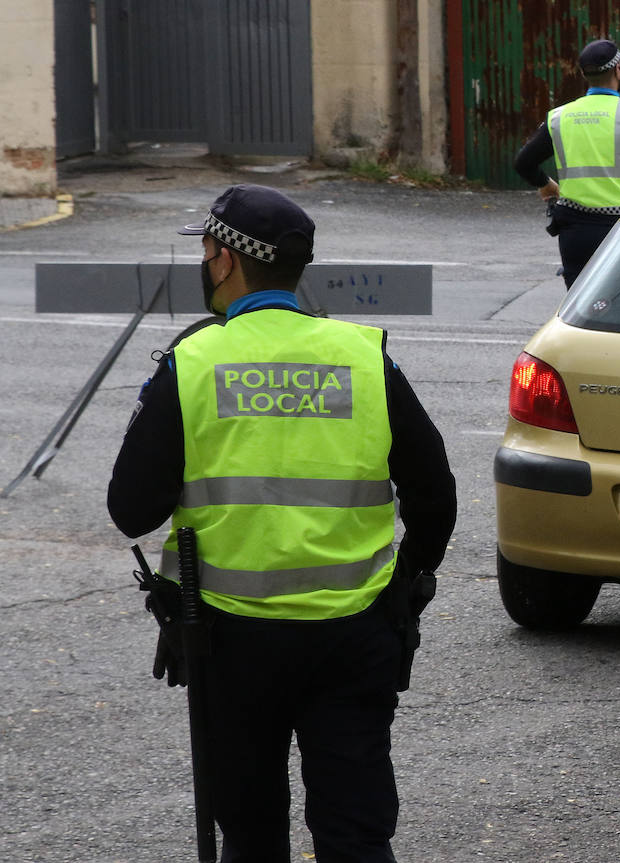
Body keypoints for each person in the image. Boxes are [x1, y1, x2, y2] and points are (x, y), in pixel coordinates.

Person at [107, 184, 457, 862]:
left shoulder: (194, 364)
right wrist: (408, 575)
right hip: (353, 636)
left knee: (252, 832)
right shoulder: (363, 356)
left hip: (231, 643)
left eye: (207, 250)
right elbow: (435, 492)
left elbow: (131, 509)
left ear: (224, 260)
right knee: (356, 835)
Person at [514, 38, 620, 288]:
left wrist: (547, 185)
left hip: (575, 232)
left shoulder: (559, 118)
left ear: (585, 75)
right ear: (618, 70)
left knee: (579, 307)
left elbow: (523, 163)